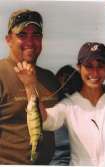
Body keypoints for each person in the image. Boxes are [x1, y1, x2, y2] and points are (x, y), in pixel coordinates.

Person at [16, 42, 105, 166]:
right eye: (89, 66)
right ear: (79, 67)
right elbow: (45, 119)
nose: (95, 72)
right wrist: (30, 86)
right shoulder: (68, 106)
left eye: (100, 66)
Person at [0, 9, 62, 164]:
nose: (30, 41)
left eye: (36, 35)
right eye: (22, 35)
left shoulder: (49, 78)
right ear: (8, 39)